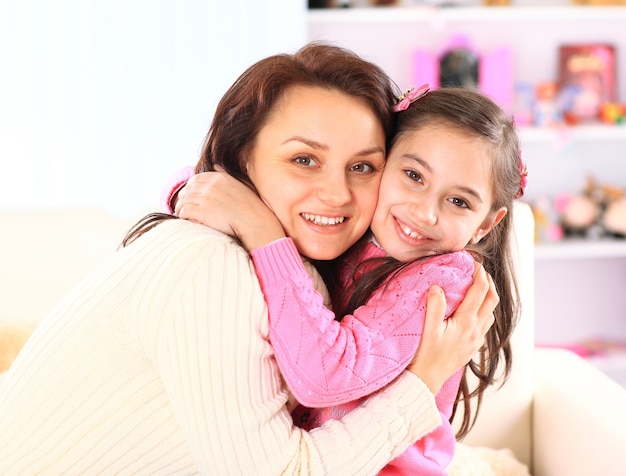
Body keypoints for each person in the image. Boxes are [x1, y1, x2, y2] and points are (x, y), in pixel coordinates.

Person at [0, 43, 496, 475]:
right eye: (304, 160)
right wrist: (422, 382)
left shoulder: (320, 266)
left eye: (362, 166)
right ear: (240, 161)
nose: (337, 194)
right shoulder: (211, 267)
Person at [172, 86, 525, 475]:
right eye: (413, 176)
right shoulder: (357, 226)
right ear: (380, 164)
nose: (425, 213)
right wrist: (198, 196)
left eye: (459, 202)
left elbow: (327, 376)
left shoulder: (442, 278)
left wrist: (264, 235)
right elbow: (202, 183)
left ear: (486, 225)